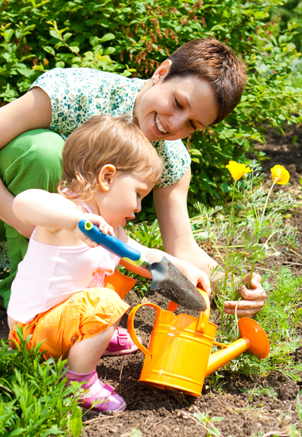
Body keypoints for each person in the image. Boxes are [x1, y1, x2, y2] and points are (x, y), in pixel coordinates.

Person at [0, 37, 266, 313]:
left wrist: (235, 284)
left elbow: (181, 248)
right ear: (161, 73)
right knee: (44, 151)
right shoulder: (77, 92)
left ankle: (62, 314)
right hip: (15, 213)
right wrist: (23, 220)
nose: (173, 125)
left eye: (192, 124)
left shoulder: (171, 159)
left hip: (62, 257)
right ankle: (25, 314)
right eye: (177, 103)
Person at [7, 115, 211, 413]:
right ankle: (77, 381)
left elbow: (145, 259)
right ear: (107, 177)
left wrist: (185, 269)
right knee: (106, 300)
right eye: (138, 194)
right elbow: (23, 203)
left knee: (111, 282)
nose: (139, 208)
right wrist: (74, 221)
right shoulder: (68, 212)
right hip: (32, 332)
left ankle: (89, 336)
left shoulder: (112, 231)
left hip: (60, 324)